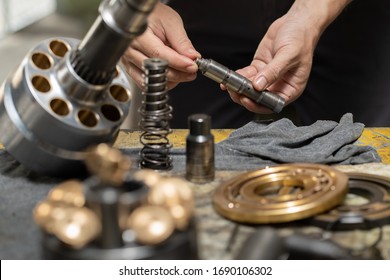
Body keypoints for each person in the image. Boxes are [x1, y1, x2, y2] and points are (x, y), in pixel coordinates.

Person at [123, 0, 390, 128]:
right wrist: (132, 9)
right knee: (184, 170)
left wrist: (313, 12)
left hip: (351, 24)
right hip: (197, 18)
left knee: (363, 165)